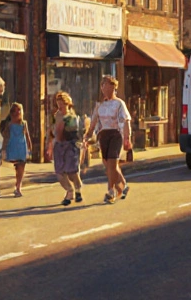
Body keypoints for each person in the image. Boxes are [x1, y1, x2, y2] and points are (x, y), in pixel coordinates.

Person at [84, 75, 133, 204]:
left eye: (109, 86)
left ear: (114, 88)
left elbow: (126, 120)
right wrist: (87, 135)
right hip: (103, 135)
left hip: (116, 134)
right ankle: (123, 184)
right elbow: (94, 122)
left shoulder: (119, 103)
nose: (106, 89)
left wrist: (127, 138)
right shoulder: (100, 105)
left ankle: (111, 192)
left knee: (112, 163)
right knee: (109, 166)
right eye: (104, 86)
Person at [46, 91, 84, 206]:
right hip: (58, 145)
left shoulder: (71, 117)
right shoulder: (56, 115)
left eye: (62, 103)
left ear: (68, 103)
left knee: (71, 171)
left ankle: (77, 188)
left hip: (70, 146)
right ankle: (69, 191)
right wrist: (49, 145)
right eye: (58, 104)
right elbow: (52, 131)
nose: (60, 106)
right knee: (59, 172)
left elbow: (73, 134)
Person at [0, 102, 32, 197]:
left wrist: (30, 147)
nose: (18, 112)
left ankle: (18, 187)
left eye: (19, 110)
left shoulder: (24, 123)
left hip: (22, 147)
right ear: (12, 113)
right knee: (17, 167)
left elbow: (27, 136)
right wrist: (3, 149)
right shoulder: (9, 125)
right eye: (16, 110)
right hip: (13, 146)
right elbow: (6, 137)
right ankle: (17, 185)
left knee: (21, 167)